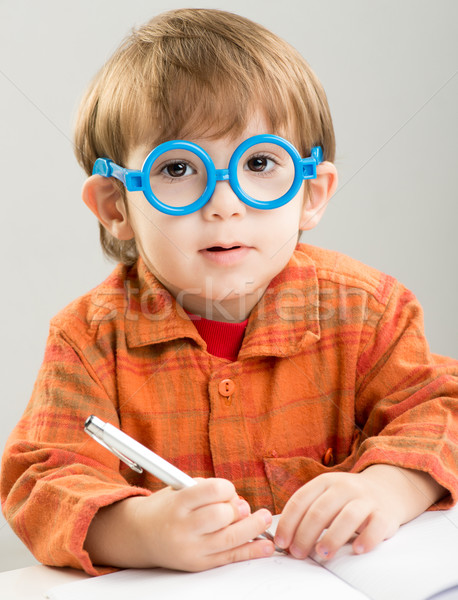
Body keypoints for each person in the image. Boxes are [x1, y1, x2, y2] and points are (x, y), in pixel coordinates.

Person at [1, 8, 457, 576]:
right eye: (177, 169)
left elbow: (443, 410)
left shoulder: (368, 310)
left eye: (260, 162)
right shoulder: (88, 339)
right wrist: (142, 531)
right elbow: (41, 480)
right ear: (117, 206)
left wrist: (388, 486)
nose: (224, 203)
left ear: (311, 193)